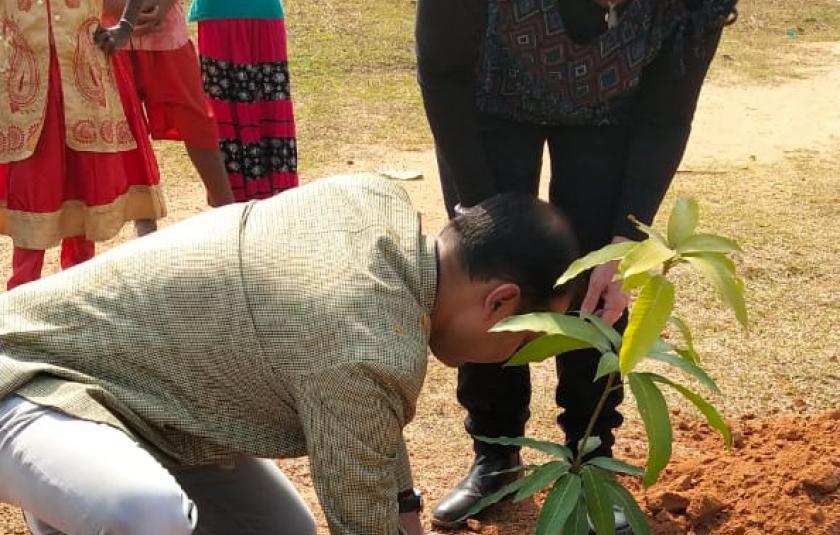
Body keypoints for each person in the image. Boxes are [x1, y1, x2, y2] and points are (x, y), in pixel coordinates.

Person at [0, 173, 582, 535]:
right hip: (29, 379)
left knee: (279, 528)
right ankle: (69, 501)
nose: (515, 356)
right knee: (145, 515)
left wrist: (404, 501)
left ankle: (66, 504)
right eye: (528, 336)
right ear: (501, 301)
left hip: (133, 405)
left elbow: (372, 423)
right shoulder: (362, 343)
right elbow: (364, 517)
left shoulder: (375, 201)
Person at [416, 0, 737, 528]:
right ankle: (496, 454)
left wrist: (625, 244)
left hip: (611, 115)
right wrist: (481, 213)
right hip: (486, 99)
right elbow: (442, 69)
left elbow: (665, 118)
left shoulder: (689, 6)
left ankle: (590, 455)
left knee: (597, 280)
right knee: (491, 276)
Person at [0, 0, 164, 290]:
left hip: (84, 76)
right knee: (30, 189)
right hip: (23, 85)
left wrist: (125, 27)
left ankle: (78, 293)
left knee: (86, 184)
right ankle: (20, 298)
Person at [101, 0, 236, 231]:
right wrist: (114, 8)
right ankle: (144, 221)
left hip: (164, 29)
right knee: (128, 128)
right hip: (110, 33)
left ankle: (227, 211)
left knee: (195, 118)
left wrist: (161, 6)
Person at [188, 0, 298, 201]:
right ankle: (234, 198)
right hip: (225, 18)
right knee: (231, 105)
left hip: (249, 16)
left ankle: (243, 199)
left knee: (261, 101)